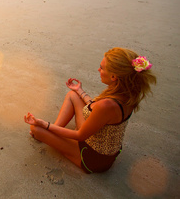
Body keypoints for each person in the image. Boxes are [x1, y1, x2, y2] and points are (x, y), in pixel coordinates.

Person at [24, 47, 156, 174]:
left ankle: (50, 130)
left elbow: (80, 135)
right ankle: (54, 129)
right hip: (101, 142)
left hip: (94, 158)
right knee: (72, 95)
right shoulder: (128, 94)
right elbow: (98, 111)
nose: (99, 69)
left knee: (35, 130)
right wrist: (80, 91)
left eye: (102, 68)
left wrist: (44, 124)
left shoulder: (107, 105)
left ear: (114, 77)